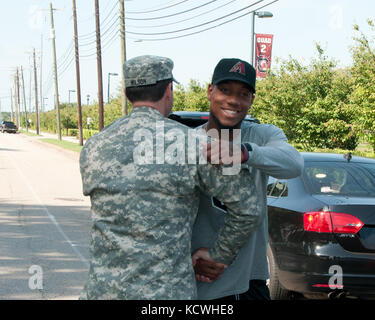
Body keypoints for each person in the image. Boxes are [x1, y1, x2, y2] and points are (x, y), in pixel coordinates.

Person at [79, 55, 263, 300]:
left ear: (126, 93)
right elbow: (249, 208)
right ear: (168, 90)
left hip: (102, 292)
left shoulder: (93, 147)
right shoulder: (196, 144)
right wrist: (218, 255)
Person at [191, 58, 304, 300]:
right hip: (201, 282)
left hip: (250, 282)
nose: (233, 100)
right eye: (225, 90)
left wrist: (243, 153)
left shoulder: (262, 135)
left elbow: (294, 163)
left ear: (251, 100)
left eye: (243, 93)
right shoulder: (187, 141)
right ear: (210, 91)